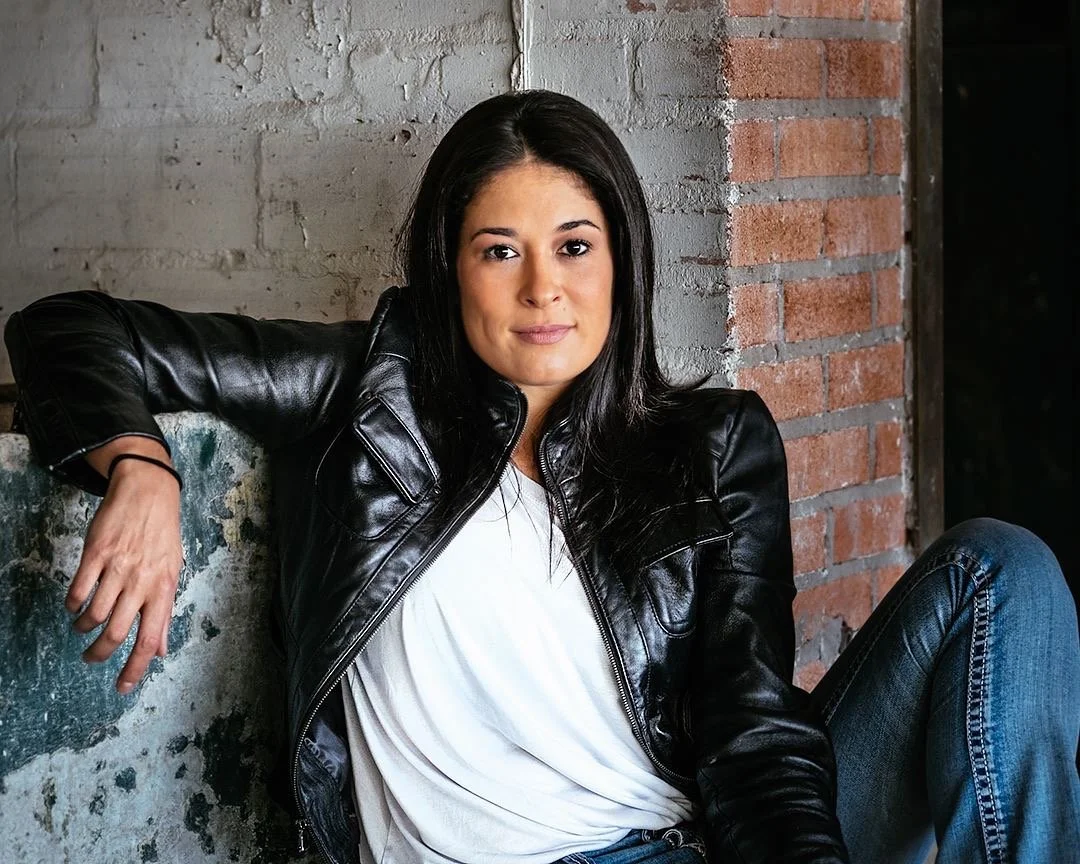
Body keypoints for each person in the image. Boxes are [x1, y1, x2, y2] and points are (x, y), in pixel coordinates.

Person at [3, 90, 1078, 864]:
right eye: (497, 250)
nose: (541, 290)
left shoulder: (712, 441)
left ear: (622, 262)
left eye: (573, 246)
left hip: (693, 832)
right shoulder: (363, 391)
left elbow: (751, 727)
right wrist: (139, 467)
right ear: (449, 268)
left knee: (1001, 572)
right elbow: (69, 328)